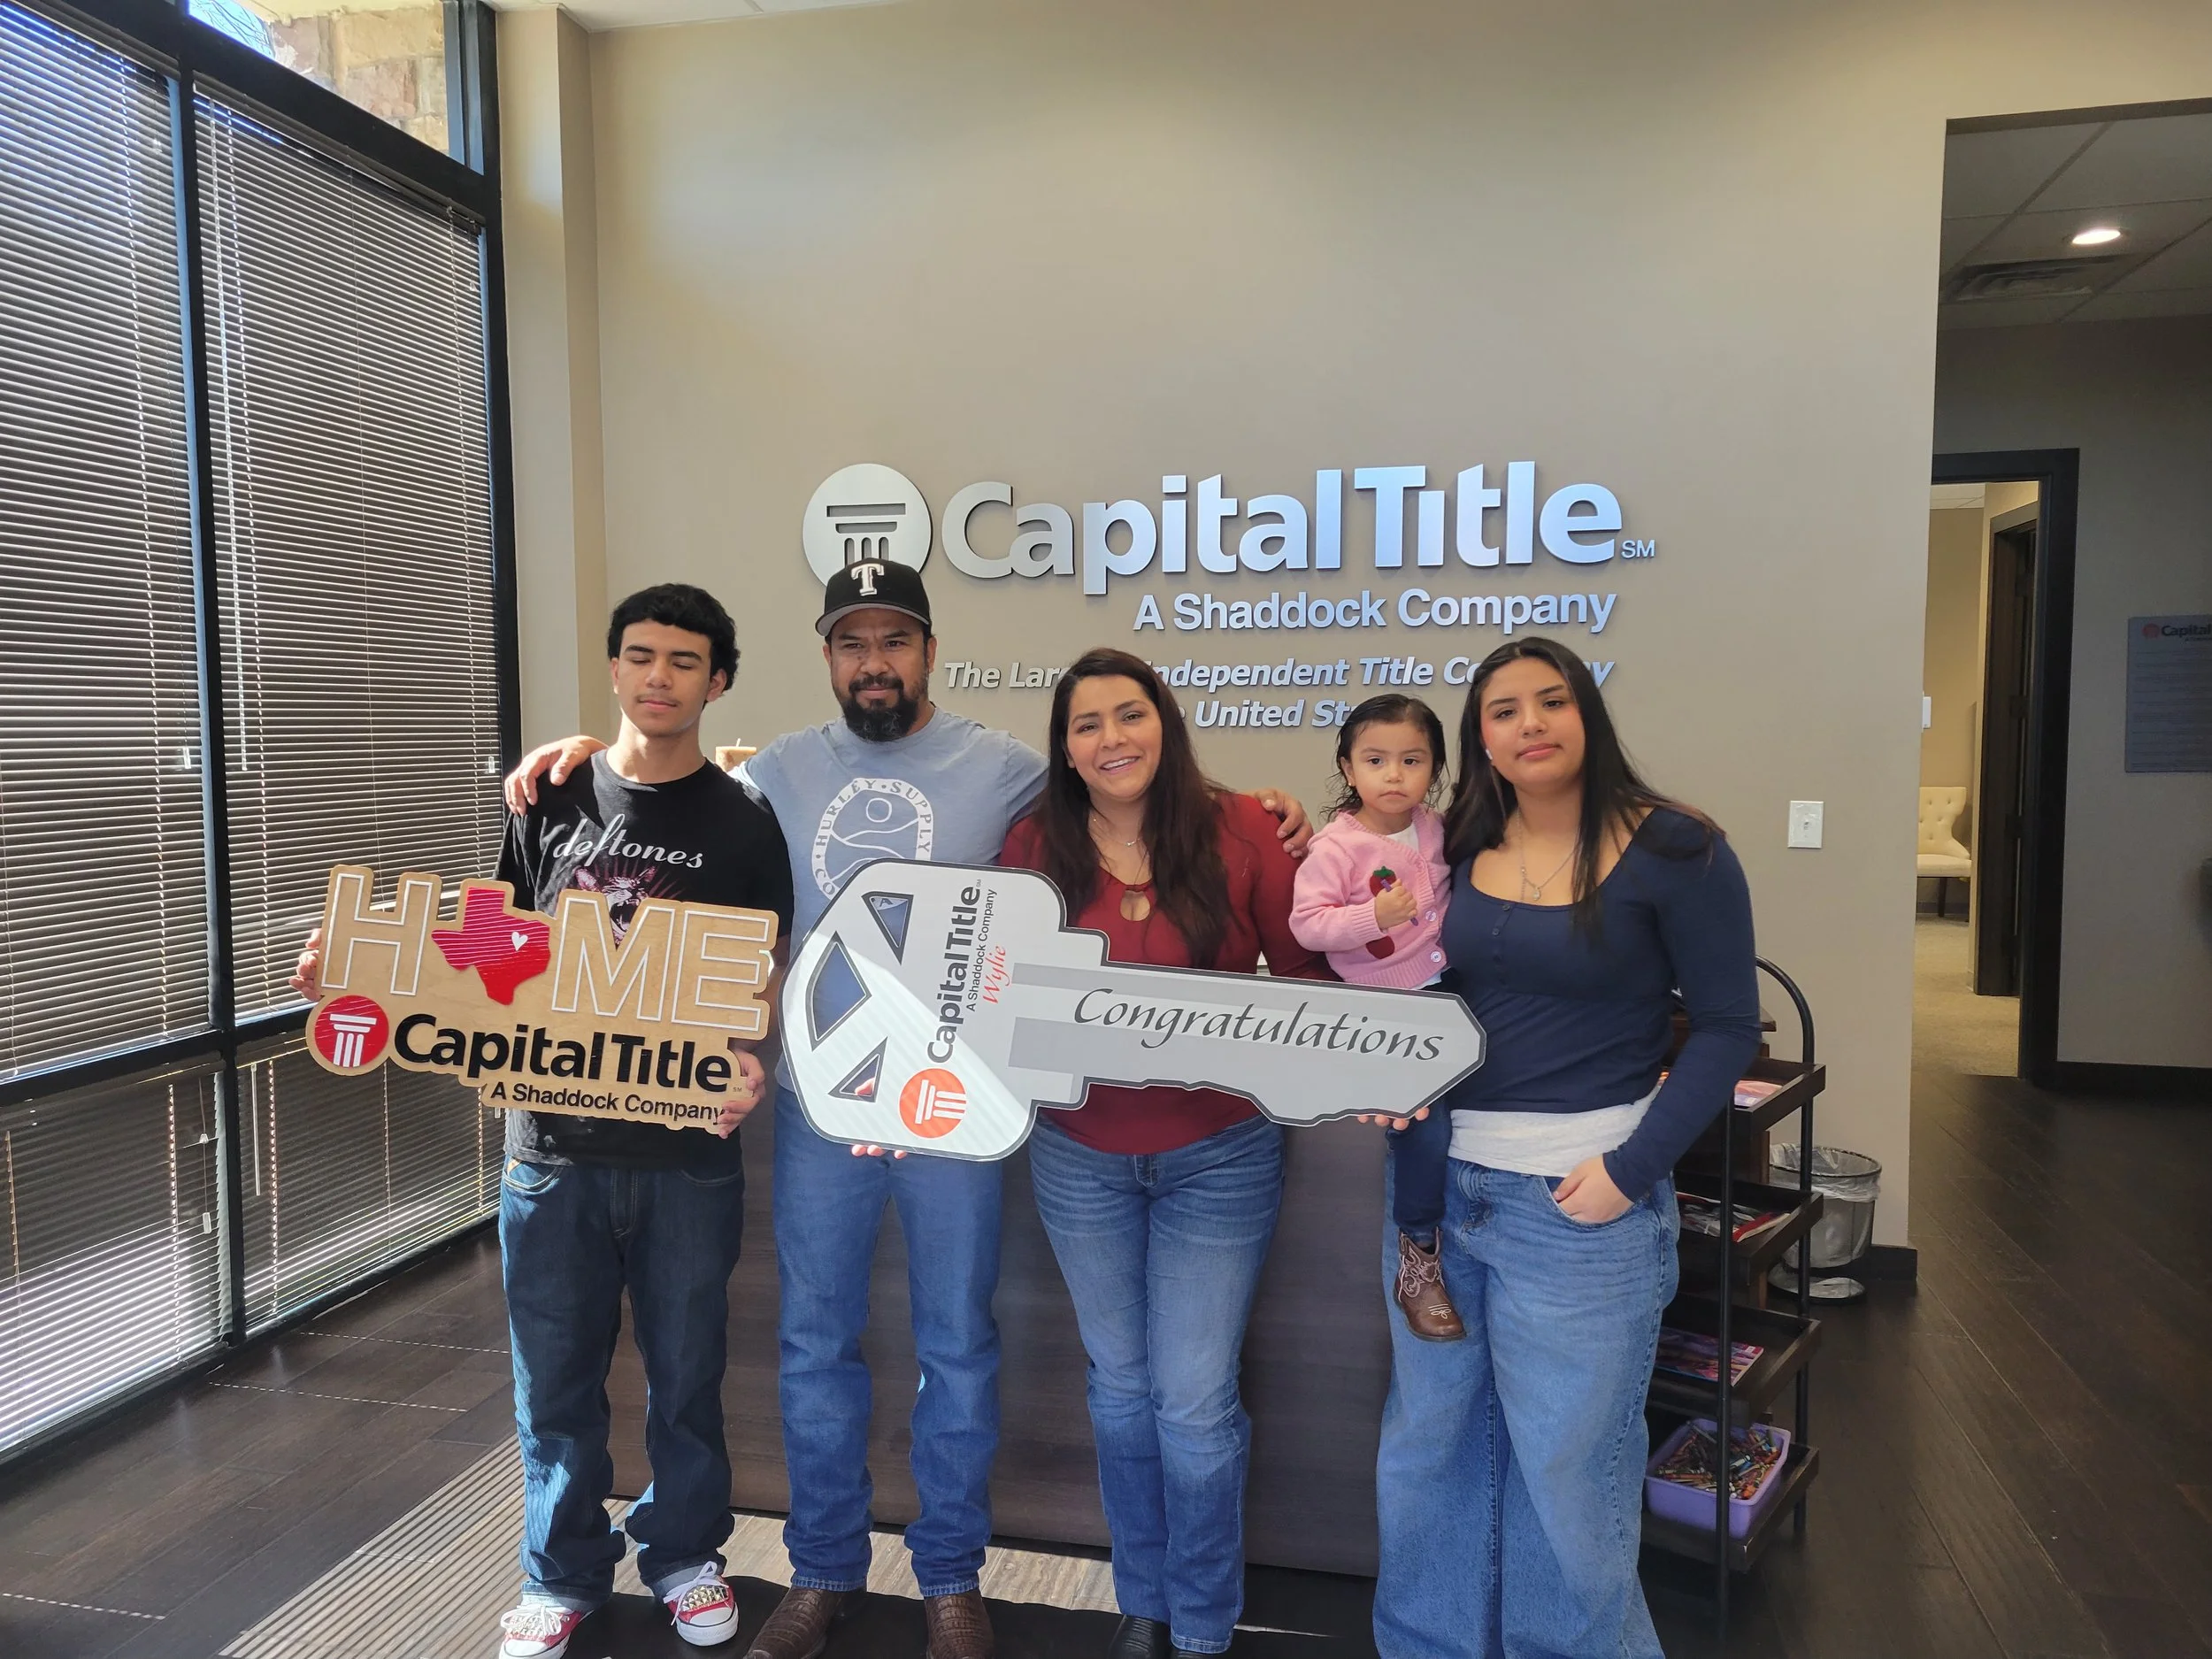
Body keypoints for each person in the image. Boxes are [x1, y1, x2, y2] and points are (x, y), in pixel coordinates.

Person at [503, 568, 1313, 1659]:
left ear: (929, 651)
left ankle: (950, 1580)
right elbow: (659, 779)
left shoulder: (1010, 772)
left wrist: (1280, 806)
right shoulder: (775, 773)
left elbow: (1126, 783)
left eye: (893, 641)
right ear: (827, 657)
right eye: (851, 643)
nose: (872, 662)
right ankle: (824, 1570)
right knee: (812, 1344)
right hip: (818, 1107)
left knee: (958, 1350)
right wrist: (562, 757)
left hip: (954, 1111)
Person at [294, 585, 794, 1659]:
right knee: (555, 1381)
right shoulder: (546, 800)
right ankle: (559, 1575)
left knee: (687, 1371)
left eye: (685, 661)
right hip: (549, 1152)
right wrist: (366, 973)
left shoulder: (746, 817)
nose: (659, 676)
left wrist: (752, 1059)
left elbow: (761, 976)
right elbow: (491, 952)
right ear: (614, 669)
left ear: (718, 681)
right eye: (641, 656)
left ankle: (683, 1557)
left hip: (687, 1155)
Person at [1367, 636, 1760, 1659]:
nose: (1529, 724)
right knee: (1428, 1458)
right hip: (1438, 1204)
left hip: (1580, 1209)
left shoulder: (1677, 848)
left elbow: (1724, 1027)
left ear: (1587, 714)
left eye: (1551, 702)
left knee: (1567, 1477)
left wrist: (1631, 1173)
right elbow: (1412, 982)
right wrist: (1380, 1071)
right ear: (1479, 737)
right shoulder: (1446, 844)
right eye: (1503, 710)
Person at [997, 649, 1328, 1659]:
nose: (1111, 740)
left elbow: (1310, 971)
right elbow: (998, 992)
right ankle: (1142, 1601)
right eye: (1087, 723)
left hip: (1219, 1154)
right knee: (1120, 1390)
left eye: (1128, 715)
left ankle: (1200, 1622)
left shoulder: (1242, 831)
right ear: (1064, 745)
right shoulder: (1031, 843)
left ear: (1164, 721)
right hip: (1079, 1155)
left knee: (1191, 1402)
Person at [1286, 693, 1462, 1343]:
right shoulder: (1337, 847)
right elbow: (1307, 925)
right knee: (1423, 1122)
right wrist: (1372, 918)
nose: (1395, 774)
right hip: (1389, 1006)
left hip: (1448, 987)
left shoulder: (1437, 827)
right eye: (1377, 759)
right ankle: (1418, 1249)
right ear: (1348, 767)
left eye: (1412, 760)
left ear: (1434, 768)